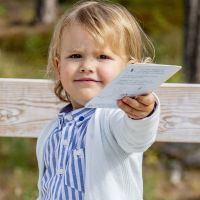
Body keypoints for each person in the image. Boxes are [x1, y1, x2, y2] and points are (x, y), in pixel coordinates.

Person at [36, 1, 160, 199]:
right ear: (59, 67)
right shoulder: (52, 130)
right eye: (75, 55)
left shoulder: (114, 119)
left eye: (102, 56)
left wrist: (141, 115)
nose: (86, 66)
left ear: (129, 70)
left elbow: (136, 137)